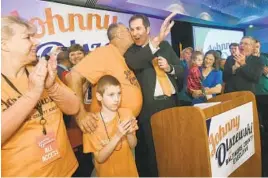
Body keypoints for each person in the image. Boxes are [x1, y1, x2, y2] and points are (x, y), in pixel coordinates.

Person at [1, 16, 80, 176]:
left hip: (67, 169)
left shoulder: (40, 71)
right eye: (27, 37)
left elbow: (74, 107)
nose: (36, 42)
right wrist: (31, 95)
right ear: (4, 44)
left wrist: (52, 85)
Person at [124, 12, 183, 176]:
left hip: (171, 102)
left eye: (138, 28)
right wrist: (157, 40)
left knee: (175, 145)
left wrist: (170, 68)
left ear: (147, 29)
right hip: (150, 109)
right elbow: (136, 63)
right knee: (155, 152)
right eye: (132, 29)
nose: (135, 33)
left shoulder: (165, 47)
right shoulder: (131, 53)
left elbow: (181, 69)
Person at [68, 23, 143, 134]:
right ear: (119, 34)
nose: (132, 33)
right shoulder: (105, 52)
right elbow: (73, 76)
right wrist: (80, 114)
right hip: (107, 130)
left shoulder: (122, 57)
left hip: (125, 127)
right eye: (128, 30)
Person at [83, 75, 139, 177]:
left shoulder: (126, 113)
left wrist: (130, 133)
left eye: (119, 94)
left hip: (129, 172)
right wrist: (118, 136)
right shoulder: (91, 123)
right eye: (111, 95)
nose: (116, 99)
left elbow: (133, 144)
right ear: (99, 96)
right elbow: (100, 158)